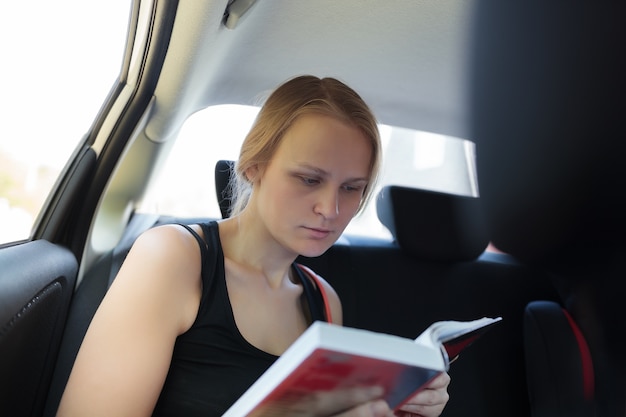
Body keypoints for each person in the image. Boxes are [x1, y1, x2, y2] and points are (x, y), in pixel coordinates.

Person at [57, 75, 450, 417]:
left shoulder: (324, 301)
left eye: (351, 189)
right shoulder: (173, 259)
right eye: (309, 179)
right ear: (253, 165)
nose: (330, 209)